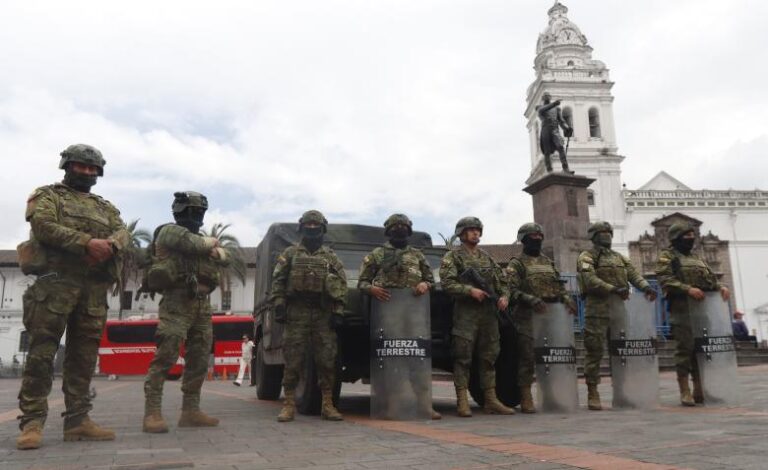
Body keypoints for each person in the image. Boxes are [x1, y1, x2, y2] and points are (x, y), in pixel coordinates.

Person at [16, 144, 130, 450]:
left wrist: (113, 246)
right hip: (54, 286)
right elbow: (43, 226)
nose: (88, 172)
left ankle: (78, 421)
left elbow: (122, 232)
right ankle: (32, 423)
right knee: (41, 355)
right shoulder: (48, 195)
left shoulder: (105, 207)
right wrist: (85, 243)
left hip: (92, 291)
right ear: (68, 166)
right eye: (82, 166)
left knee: (83, 359)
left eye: (94, 169)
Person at [142, 191, 229, 433]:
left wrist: (215, 250)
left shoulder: (197, 237)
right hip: (176, 302)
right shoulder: (169, 232)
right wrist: (211, 244)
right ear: (180, 211)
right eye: (193, 211)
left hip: (202, 306)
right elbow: (197, 244)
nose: (197, 216)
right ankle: (152, 413)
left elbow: (226, 258)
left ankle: (190, 411)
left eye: (200, 212)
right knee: (166, 356)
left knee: (199, 359)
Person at [358, 213, 440, 420]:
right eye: (395, 226)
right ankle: (394, 404)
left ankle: (424, 404)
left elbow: (431, 280)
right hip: (389, 312)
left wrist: (425, 284)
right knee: (394, 357)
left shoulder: (418, 255)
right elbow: (362, 282)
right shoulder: (377, 254)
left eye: (403, 226)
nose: (400, 229)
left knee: (418, 356)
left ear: (409, 230)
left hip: (415, 312)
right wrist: (373, 290)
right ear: (388, 230)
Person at [271, 210, 348, 422]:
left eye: (316, 226)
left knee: (327, 361)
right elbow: (278, 279)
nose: (312, 229)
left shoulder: (330, 257)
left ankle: (327, 404)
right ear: (302, 228)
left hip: (323, 314)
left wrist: (338, 311)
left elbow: (341, 285)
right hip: (297, 313)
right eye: (308, 226)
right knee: (293, 360)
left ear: (323, 229)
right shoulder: (290, 254)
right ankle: (288, 404)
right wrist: (278, 303)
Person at [577, 221, 656, 410]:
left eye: (609, 232)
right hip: (597, 311)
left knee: (621, 352)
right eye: (602, 232)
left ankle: (621, 390)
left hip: (619, 311)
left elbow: (633, 274)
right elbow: (589, 279)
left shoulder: (619, 257)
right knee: (594, 352)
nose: (607, 236)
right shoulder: (587, 256)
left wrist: (645, 287)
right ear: (594, 236)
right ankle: (593, 392)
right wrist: (613, 289)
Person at [439, 217, 514, 417]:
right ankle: (462, 401)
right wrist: (469, 290)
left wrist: (505, 296)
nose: (475, 233)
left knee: (489, 357)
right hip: (466, 314)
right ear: (462, 234)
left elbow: (502, 281)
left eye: (477, 230)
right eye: (470, 230)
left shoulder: (486, 258)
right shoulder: (453, 257)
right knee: (462, 358)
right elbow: (447, 283)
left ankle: (490, 400)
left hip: (489, 315)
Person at [656, 222, 730, 406]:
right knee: (685, 349)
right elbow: (665, 279)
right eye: (686, 235)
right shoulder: (668, 256)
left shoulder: (698, 259)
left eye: (692, 234)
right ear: (676, 238)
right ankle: (684, 389)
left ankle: (699, 387)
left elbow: (710, 279)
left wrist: (720, 286)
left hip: (701, 311)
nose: (690, 238)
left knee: (701, 349)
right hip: (682, 310)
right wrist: (687, 289)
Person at [506, 223, 575, 413]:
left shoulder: (547, 262)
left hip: (550, 316)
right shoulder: (516, 264)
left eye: (539, 237)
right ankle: (526, 395)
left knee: (550, 358)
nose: (536, 240)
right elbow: (510, 290)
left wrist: (567, 299)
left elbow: (558, 287)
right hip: (526, 317)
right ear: (523, 240)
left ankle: (550, 394)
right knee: (527, 357)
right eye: (532, 237)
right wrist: (530, 299)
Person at [536, 92, 574, 174]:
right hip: (545, 130)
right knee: (547, 152)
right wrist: (554, 104)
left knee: (560, 147)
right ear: (543, 98)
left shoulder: (557, 109)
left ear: (550, 97)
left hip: (555, 129)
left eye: (548, 95)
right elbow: (542, 111)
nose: (546, 97)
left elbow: (561, 121)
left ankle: (565, 168)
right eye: (545, 96)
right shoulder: (540, 108)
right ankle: (549, 170)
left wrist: (567, 128)